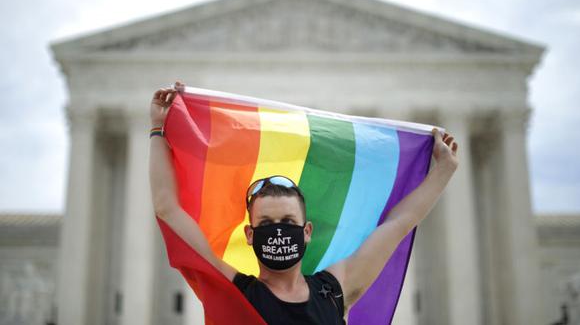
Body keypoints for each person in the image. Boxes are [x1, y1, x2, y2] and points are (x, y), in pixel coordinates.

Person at [149, 82, 459, 324]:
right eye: (267, 224)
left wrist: (444, 170)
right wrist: (158, 129)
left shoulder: (335, 291)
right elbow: (167, 209)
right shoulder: (234, 293)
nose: (279, 232)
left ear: (307, 230)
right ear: (250, 235)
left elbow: (398, 223)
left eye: (287, 222)